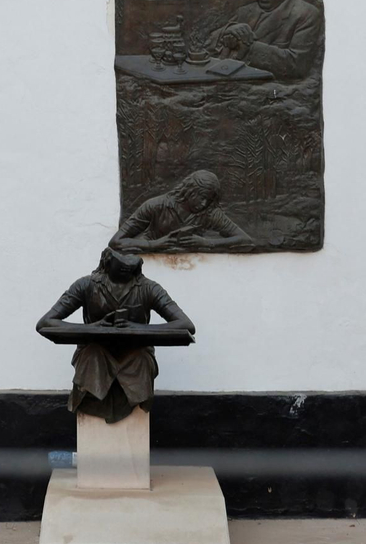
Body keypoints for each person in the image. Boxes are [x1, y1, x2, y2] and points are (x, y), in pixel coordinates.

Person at [36, 248, 194, 423]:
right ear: (107, 261)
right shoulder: (86, 285)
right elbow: (46, 322)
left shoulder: (149, 288)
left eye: (132, 263)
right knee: (92, 355)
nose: (127, 266)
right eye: (121, 263)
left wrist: (136, 328)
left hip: (135, 353)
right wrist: (94, 328)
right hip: (96, 351)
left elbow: (186, 324)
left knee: (141, 359)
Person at [110, 170, 251, 251]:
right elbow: (116, 242)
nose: (204, 203)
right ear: (189, 191)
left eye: (208, 199)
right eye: (201, 197)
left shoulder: (209, 212)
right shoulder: (156, 205)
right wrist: (154, 244)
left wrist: (207, 243)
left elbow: (245, 240)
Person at [207, 0, 321, 79]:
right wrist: (228, 31)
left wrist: (248, 46)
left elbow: (297, 66)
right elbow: (206, 46)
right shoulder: (245, 11)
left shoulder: (305, 14)